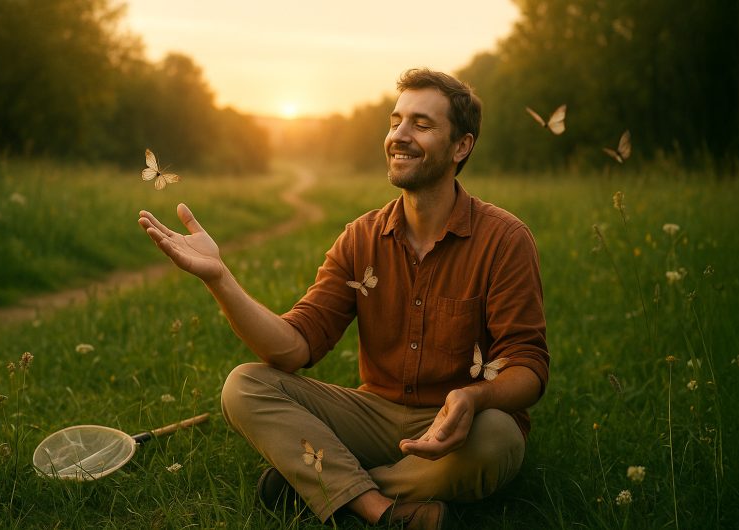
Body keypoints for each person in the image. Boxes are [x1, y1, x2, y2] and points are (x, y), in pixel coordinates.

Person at [137, 68, 549, 530]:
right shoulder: (361, 238)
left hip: (458, 426)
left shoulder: (504, 240)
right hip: (371, 416)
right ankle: (382, 510)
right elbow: (293, 347)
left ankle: (317, 484)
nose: (400, 136)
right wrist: (219, 278)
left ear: (461, 146)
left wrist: (473, 397)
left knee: (499, 438)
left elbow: (528, 368)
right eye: (395, 122)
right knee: (245, 386)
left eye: (422, 124)